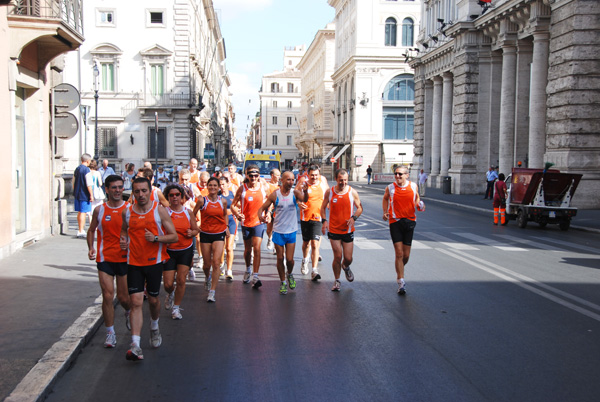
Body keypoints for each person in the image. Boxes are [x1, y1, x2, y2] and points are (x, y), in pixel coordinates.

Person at [120, 177, 178, 361]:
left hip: (154, 262)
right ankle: (135, 345)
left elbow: (174, 237)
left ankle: (154, 326)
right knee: (136, 302)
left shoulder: (159, 210)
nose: (140, 195)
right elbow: (123, 230)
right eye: (136, 191)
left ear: (149, 191)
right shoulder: (127, 212)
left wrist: (155, 239)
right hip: (133, 263)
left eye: (144, 191)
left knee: (153, 301)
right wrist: (123, 240)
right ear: (133, 193)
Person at [86, 174, 131, 348]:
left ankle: (128, 311)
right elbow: (91, 230)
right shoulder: (100, 210)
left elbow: (138, 233)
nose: (118, 190)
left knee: (123, 297)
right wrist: (91, 247)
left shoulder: (129, 209)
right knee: (107, 296)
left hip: (124, 259)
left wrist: (129, 242)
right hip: (105, 258)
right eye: (114, 187)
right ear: (107, 190)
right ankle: (110, 333)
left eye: (120, 187)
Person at [258, 171, 307, 294]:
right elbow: (262, 208)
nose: (291, 182)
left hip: (291, 231)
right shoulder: (275, 195)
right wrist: (261, 216)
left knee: (290, 260)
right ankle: (283, 282)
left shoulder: (295, 193)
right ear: (282, 181)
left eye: (292, 180)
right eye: (288, 180)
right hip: (278, 231)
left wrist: (305, 191)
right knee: (280, 258)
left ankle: (289, 274)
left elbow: (304, 199)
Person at [382, 166, 425, 295]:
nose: (397, 176)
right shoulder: (390, 188)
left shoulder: (413, 186)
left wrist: (419, 204)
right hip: (395, 222)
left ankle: (399, 267)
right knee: (399, 253)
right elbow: (385, 199)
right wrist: (385, 212)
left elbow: (416, 198)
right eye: (396, 174)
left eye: (400, 174)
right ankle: (401, 281)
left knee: (406, 256)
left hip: (410, 221)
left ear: (407, 175)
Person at [320, 169, 363, 291]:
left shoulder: (352, 192)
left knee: (348, 258)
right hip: (334, 230)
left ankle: (346, 266)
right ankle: (337, 280)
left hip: (348, 230)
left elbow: (359, 208)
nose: (343, 183)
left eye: (345, 180)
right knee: (337, 256)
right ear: (336, 179)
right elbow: (322, 208)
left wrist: (354, 218)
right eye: (340, 180)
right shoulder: (330, 192)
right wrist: (324, 221)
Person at [162, 184, 199, 319]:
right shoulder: (164, 211)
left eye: (177, 195)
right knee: (168, 284)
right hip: (169, 251)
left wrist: (192, 232)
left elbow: (196, 229)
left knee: (181, 280)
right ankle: (170, 293)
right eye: (171, 195)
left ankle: (176, 309)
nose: (175, 197)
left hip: (185, 250)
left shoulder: (187, 212)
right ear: (168, 197)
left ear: (182, 196)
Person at [231, 164, 270, 289]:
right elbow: (233, 205)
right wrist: (237, 214)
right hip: (246, 223)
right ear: (247, 176)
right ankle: (248, 269)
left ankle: (256, 276)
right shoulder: (242, 188)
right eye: (251, 175)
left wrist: (268, 214)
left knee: (257, 248)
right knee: (248, 250)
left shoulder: (264, 187)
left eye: (256, 175)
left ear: (259, 176)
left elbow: (271, 202)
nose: (253, 178)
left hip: (258, 222)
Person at [193, 177, 228, 302]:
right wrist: (195, 226)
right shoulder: (202, 200)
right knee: (207, 265)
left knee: (216, 262)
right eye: (210, 185)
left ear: (218, 187)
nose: (212, 187)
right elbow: (193, 213)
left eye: (215, 185)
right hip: (205, 233)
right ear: (207, 187)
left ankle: (212, 292)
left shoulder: (222, 201)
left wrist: (227, 227)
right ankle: (207, 277)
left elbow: (224, 214)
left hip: (219, 233)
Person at [296, 164, 329, 281]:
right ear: (308, 174)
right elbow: (296, 193)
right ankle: (305, 260)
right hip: (305, 217)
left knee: (315, 244)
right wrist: (299, 203)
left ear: (319, 174)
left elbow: (327, 195)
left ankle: (314, 270)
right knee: (306, 244)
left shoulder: (323, 182)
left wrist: (328, 206)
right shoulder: (303, 182)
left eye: (316, 175)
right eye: (312, 175)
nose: (314, 177)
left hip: (317, 217)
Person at [219, 176, 237, 280]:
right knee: (221, 248)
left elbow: (236, 206)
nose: (222, 186)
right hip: (220, 222)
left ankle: (229, 270)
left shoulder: (232, 194)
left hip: (231, 221)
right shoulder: (217, 195)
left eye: (223, 184)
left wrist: (237, 216)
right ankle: (221, 264)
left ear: (227, 184)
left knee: (229, 247)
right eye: (220, 184)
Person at [74, 153, 93, 238]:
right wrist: (91, 195)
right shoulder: (87, 170)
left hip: (77, 193)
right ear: (88, 161)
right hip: (84, 193)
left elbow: (73, 182)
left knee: (79, 212)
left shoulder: (77, 169)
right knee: (83, 212)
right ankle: (81, 230)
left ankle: (80, 229)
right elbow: (89, 184)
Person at [265, 168, 281, 253]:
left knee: (277, 229)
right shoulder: (268, 185)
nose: (279, 177)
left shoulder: (280, 185)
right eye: (277, 175)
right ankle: (269, 238)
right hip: (269, 209)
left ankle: (276, 246)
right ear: (272, 176)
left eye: (279, 175)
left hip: (278, 209)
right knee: (269, 229)